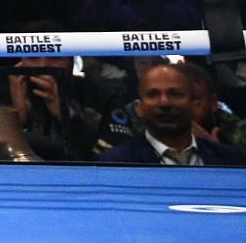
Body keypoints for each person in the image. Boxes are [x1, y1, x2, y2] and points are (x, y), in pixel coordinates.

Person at [98, 63, 246, 166]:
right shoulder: (115, 162)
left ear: (194, 105)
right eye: (153, 94)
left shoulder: (230, 159)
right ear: (139, 108)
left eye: (175, 94)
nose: (164, 103)